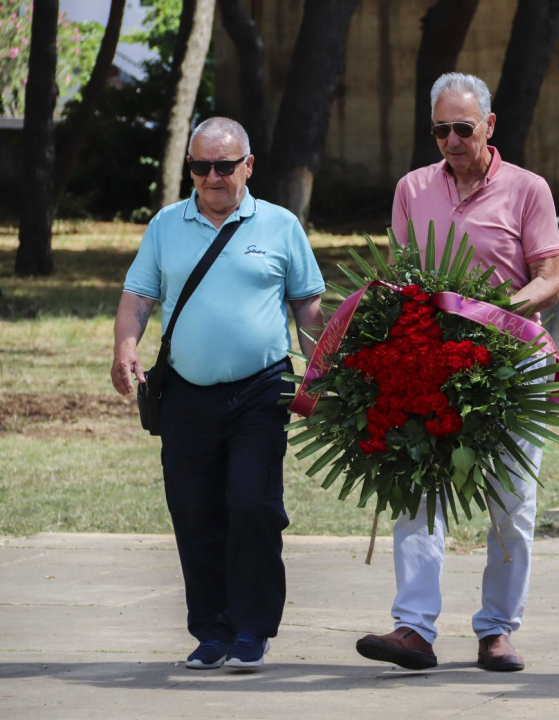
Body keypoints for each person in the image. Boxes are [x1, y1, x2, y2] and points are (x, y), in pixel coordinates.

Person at [355, 73, 559, 673]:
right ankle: (413, 629)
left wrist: (494, 312)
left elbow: (549, 278)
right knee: (415, 493)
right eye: (440, 129)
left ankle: (497, 629)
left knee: (512, 502)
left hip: (510, 363)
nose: (451, 139)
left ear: (489, 126)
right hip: (429, 363)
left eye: (462, 128)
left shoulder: (529, 188)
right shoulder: (412, 188)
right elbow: (399, 277)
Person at [111, 117, 325, 670]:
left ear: (247, 166)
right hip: (186, 393)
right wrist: (125, 347)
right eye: (201, 166)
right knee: (194, 510)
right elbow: (138, 295)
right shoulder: (165, 225)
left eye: (224, 166)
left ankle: (253, 629)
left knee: (252, 504)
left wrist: (323, 371)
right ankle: (211, 631)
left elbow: (307, 305)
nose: (212, 176)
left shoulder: (279, 225)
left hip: (261, 389)